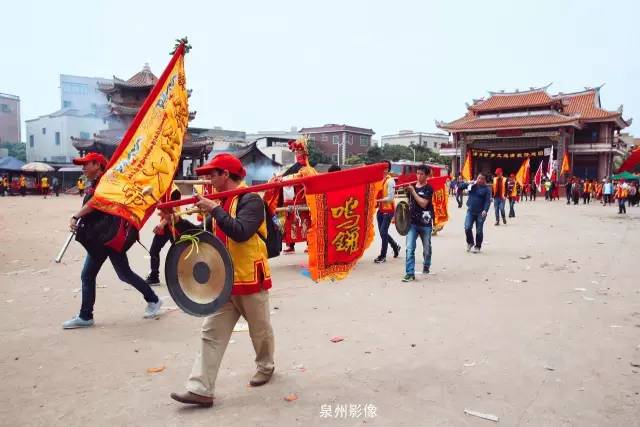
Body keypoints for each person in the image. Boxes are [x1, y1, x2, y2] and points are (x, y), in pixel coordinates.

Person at [170, 153, 275, 408]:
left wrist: (214, 209)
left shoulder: (251, 199)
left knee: (259, 330)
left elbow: (240, 232)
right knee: (211, 333)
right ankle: (200, 389)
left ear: (225, 175)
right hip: (224, 282)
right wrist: (177, 223)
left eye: (212, 174)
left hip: (250, 276)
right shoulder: (219, 202)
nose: (208, 178)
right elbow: (204, 238)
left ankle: (266, 365)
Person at [63, 152, 163, 329]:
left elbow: (97, 202)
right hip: (103, 238)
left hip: (107, 238)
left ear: (98, 165)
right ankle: (153, 299)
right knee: (123, 274)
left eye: (86, 164)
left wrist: (75, 216)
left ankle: (86, 316)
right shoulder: (96, 183)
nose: (83, 167)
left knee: (90, 275)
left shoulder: (108, 183)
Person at [144, 186, 182, 286]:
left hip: (173, 225)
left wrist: (161, 225)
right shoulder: (163, 186)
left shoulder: (175, 191)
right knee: (155, 250)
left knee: (178, 252)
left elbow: (173, 212)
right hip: (166, 225)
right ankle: (154, 276)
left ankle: (182, 276)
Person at [402, 165, 433, 282]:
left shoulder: (429, 188)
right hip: (412, 223)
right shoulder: (412, 187)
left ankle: (426, 264)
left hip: (425, 223)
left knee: (427, 248)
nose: (419, 176)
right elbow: (409, 204)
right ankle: (410, 273)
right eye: (418, 173)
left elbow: (423, 203)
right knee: (410, 248)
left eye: (421, 174)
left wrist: (413, 191)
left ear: (427, 175)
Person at [374, 161, 401, 264]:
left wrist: (377, 201)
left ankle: (383, 255)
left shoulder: (390, 181)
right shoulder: (380, 180)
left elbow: (390, 198)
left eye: (383, 167)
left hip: (388, 210)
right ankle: (395, 246)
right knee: (382, 233)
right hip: (380, 210)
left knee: (383, 232)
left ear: (387, 169)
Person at [457, 174, 492, 253]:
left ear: (484, 180)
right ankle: (470, 242)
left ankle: (478, 246)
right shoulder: (472, 186)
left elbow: (487, 201)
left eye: (482, 179)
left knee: (479, 230)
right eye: (478, 178)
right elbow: (460, 187)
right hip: (470, 211)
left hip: (481, 213)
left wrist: (485, 210)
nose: (480, 180)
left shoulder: (486, 189)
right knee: (467, 227)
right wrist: (468, 183)